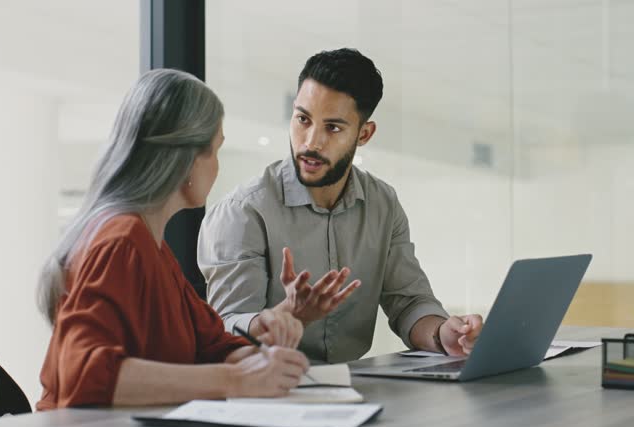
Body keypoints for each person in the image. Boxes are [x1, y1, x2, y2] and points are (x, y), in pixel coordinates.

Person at [35, 69, 307, 410]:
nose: (217, 168)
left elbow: (211, 347)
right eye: (215, 151)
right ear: (186, 159)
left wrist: (261, 348)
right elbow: (85, 376)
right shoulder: (121, 240)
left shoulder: (154, 248)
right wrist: (237, 379)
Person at [198, 48, 483, 364]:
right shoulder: (245, 211)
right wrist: (281, 318)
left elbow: (408, 303)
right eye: (302, 119)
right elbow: (225, 331)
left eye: (332, 127)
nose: (311, 142)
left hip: (353, 385)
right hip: (267, 390)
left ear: (364, 134)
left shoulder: (382, 205)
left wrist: (442, 332)